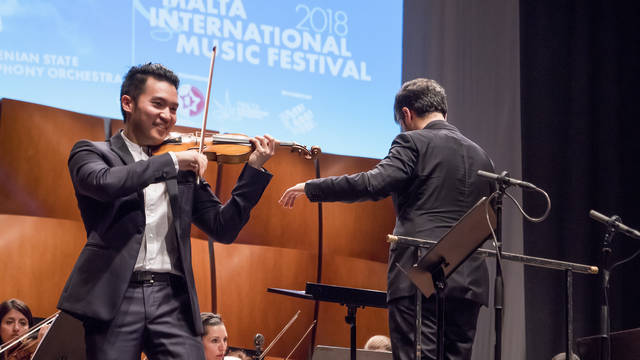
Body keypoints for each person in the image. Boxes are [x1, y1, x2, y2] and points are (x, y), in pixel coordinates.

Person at [57, 63, 276, 360]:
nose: (168, 116)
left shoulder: (181, 162)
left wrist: (253, 170)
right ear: (128, 103)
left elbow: (223, 228)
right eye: (158, 104)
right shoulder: (93, 153)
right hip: (115, 297)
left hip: (172, 298)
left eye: (174, 108)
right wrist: (172, 161)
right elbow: (104, 184)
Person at [279, 78, 495, 360]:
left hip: (420, 272)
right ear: (444, 112)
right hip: (469, 279)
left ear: (406, 114)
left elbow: (373, 183)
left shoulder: (412, 141)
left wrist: (312, 187)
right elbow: (488, 219)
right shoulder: (482, 156)